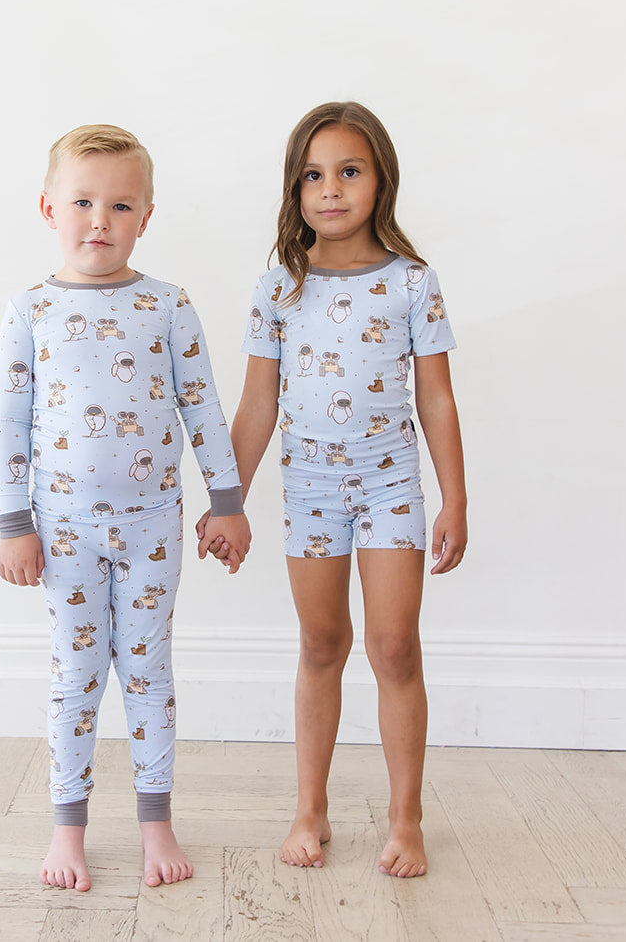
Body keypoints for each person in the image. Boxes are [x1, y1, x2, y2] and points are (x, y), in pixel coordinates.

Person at [201, 102, 467, 878]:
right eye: (313, 175)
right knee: (321, 643)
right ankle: (309, 808)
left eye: (349, 171)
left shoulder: (412, 282)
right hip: (312, 487)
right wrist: (227, 499)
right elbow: (257, 406)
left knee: (394, 645)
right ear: (296, 188)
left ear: (380, 179)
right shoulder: (278, 288)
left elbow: (436, 399)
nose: (331, 189)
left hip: (391, 486)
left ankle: (406, 816)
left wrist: (454, 497)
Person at [0, 124, 252, 892]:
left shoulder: (167, 305)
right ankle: (66, 828)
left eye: (120, 205)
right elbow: (9, 423)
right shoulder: (29, 310)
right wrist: (13, 522)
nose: (99, 220)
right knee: (76, 673)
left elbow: (202, 405)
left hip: (152, 526)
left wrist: (227, 502)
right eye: (82, 202)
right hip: (62, 529)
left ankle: (155, 823)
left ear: (146, 216)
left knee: (147, 669)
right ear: (49, 208)